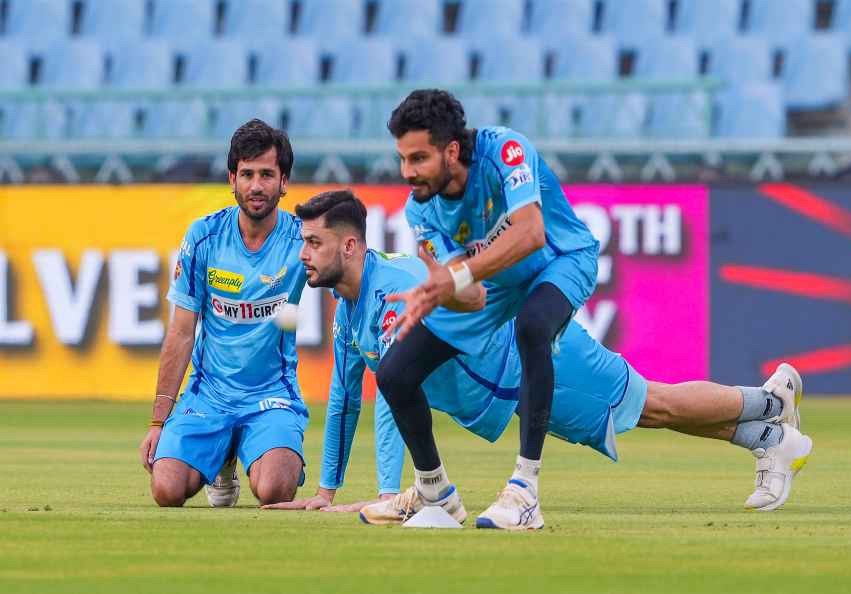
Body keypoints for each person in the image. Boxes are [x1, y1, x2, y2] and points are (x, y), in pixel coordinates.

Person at [261, 190, 813, 525]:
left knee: (655, 405)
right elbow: (343, 400)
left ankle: (768, 403)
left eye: (312, 242)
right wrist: (326, 492)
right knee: (642, 414)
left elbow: (391, 395)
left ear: (350, 245)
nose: (303, 253)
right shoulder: (349, 306)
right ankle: (769, 432)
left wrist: (387, 494)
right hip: (511, 388)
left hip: (540, 361)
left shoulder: (396, 289)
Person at [371, 88, 602, 529]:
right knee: (394, 374)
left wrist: (455, 278)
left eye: (418, 159)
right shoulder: (422, 209)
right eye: (402, 159)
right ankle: (436, 494)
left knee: (532, 326)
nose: (407, 172)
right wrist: (441, 291)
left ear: (451, 150)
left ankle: (524, 492)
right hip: (492, 282)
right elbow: (473, 296)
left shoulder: (506, 150)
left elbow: (531, 231)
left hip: (560, 259)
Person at [138, 119, 308, 507]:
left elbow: (349, 272)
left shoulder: (302, 239)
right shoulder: (203, 237)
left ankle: (271, 448)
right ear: (232, 179)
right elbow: (181, 333)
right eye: (247, 174)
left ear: (284, 182)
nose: (256, 185)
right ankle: (221, 457)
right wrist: (157, 421)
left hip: (272, 394)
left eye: (267, 174)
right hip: (209, 394)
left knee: (274, 491)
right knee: (165, 490)